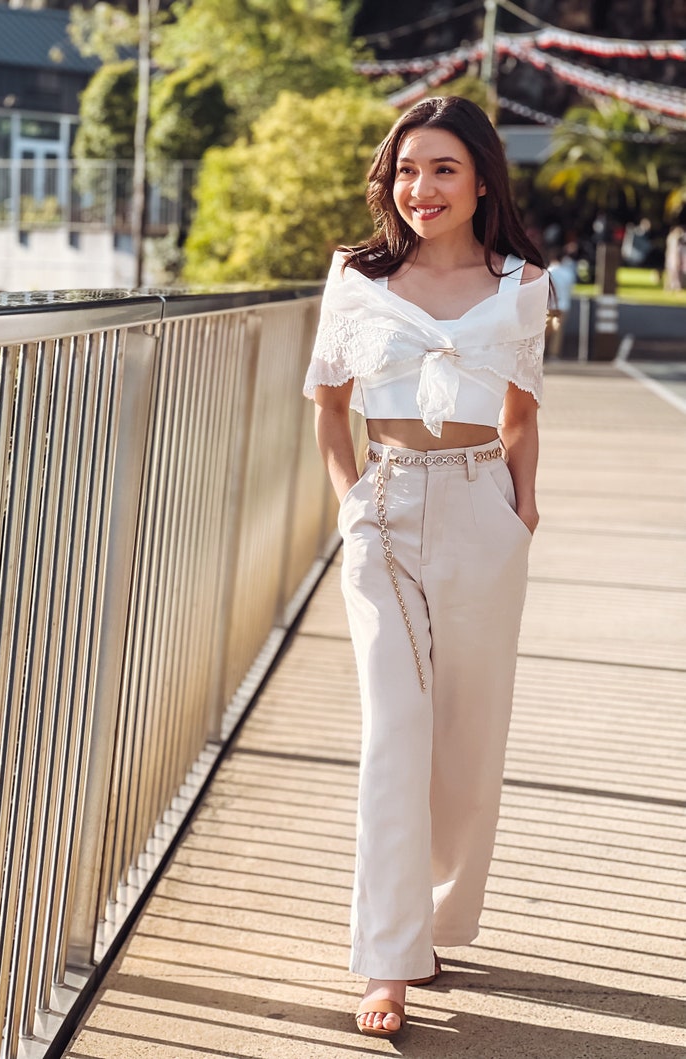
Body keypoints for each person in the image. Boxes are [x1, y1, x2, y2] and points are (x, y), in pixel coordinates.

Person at [303, 96, 549, 1039]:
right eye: (407, 170)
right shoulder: (355, 278)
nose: (421, 188)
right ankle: (388, 957)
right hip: (386, 508)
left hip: (484, 508)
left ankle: (436, 920)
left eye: (443, 168)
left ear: (482, 176)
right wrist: (349, 502)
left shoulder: (523, 283)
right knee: (395, 729)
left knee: (468, 737)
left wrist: (523, 510)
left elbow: (523, 412)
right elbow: (328, 406)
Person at [546, 244, 578, 358]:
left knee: (545, 331)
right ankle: (553, 354)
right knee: (557, 333)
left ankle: (541, 353)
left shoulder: (548, 272)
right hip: (563, 306)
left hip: (549, 305)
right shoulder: (568, 273)